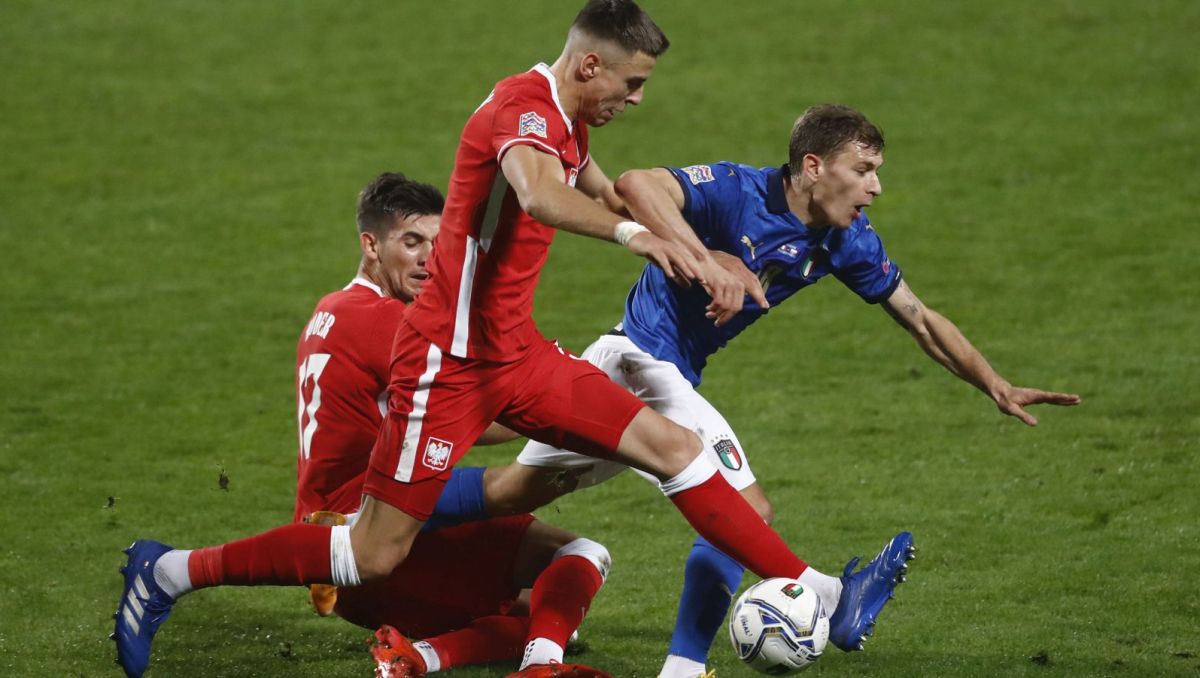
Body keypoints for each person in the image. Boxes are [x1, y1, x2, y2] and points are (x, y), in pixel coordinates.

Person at [114, 5, 907, 677]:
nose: (636, 99)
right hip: (446, 365)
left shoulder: (568, 118)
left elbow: (595, 179)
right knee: (373, 554)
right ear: (589, 64)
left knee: (672, 448)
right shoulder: (522, 110)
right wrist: (637, 236)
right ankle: (170, 570)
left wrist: (691, 249)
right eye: (632, 83)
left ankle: (821, 592)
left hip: (516, 357)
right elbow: (541, 192)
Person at [437, 103, 1080, 677]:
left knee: (515, 489)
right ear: (812, 166)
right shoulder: (735, 191)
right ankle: (728, 648)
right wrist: (709, 257)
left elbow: (919, 318)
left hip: (632, 366)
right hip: (643, 361)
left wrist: (994, 383)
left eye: (877, 171)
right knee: (745, 510)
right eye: (863, 170)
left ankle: (367, 515)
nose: (876, 187)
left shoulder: (843, 240)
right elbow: (634, 186)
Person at [288, 172, 611, 678]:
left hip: (326, 551)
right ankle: (440, 661)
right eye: (411, 242)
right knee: (577, 558)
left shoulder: (328, 312)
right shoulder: (386, 321)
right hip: (379, 540)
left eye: (438, 244)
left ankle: (417, 652)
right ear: (370, 245)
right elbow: (483, 419)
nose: (428, 259)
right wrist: (575, 402)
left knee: (540, 611)